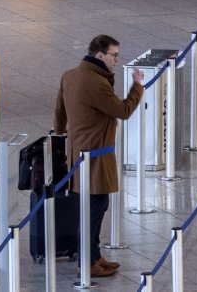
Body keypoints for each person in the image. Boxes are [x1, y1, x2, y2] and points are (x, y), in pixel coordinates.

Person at [53, 35, 144, 278]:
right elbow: (123, 111)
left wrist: (64, 133)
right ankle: (87, 262)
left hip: (78, 153)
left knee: (96, 205)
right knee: (94, 208)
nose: (117, 60)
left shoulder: (70, 75)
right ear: (99, 55)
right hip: (93, 156)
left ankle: (94, 255)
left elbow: (59, 115)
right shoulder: (96, 82)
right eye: (114, 55)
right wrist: (137, 86)